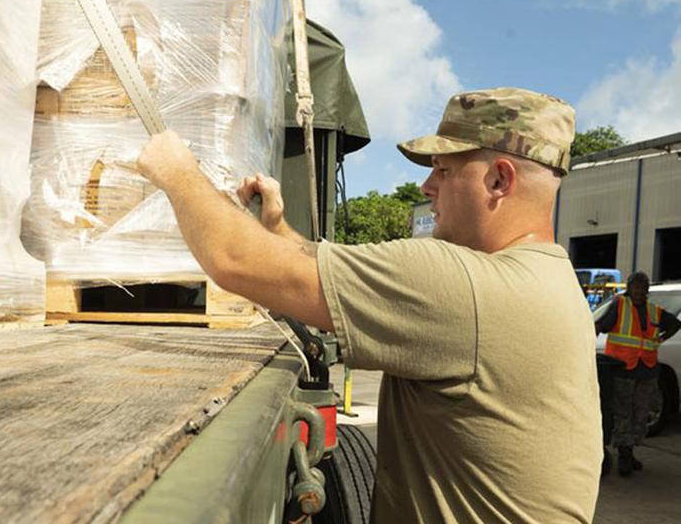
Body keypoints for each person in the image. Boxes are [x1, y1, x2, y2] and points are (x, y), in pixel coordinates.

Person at [137, 87, 601, 522]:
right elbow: (314, 276)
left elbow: (234, 260)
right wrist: (277, 228)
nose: (426, 187)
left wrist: (176, 171)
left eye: (443, 170)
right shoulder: (547, 279)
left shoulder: (466, 287)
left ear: (499, 179)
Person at [595, 271, 681, 476]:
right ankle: (624, 455)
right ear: (630, 289)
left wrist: (659, 339)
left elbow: (676, 324)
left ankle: (630, 451)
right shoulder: (619, 306)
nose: (640, 291)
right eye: (636, 287)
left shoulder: (654, 311)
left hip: (647, 370)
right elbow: (601, 325)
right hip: (622, 369)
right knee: (623, 414)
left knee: (640, 415)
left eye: (643, 288)